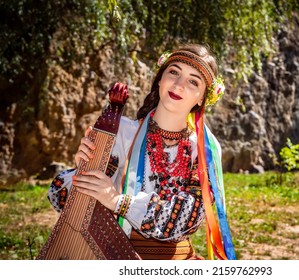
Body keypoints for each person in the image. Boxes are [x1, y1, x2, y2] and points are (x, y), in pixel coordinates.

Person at [47, 43, 236, 260]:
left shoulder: (204, 150)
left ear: (202, 97)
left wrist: (119, 202)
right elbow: (60, 198)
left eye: (193, 81)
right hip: (111, 255)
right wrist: (87, 168)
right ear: (160, 79)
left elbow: (187, 217)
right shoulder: (122, 131)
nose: (179, 85)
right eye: (173, 72)